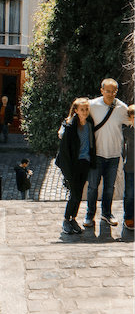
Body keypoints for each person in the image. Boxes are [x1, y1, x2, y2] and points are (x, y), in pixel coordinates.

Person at [84, 78, 129, 228]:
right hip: (97, 154)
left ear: (117, 91)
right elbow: (77, 115)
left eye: (113, 91)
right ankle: (90, 215)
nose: (110, 94)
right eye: (107, 91)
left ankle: (106, 213)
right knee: (92, 187)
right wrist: (64, 130)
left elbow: (131, 120)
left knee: (110, 187)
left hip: (114, 154)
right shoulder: (92, 105)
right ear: (101, 90)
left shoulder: (122, 107)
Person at [56, 97, 96, 234]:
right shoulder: (70, 126)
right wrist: (68, 169)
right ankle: (66, 220)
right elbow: (65, 150)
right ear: (76, 110)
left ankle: (73, 218)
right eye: (82, 110)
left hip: (84, 162)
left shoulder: (90, 123)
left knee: (79, 193)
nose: (85, 112)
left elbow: (91, 143)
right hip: (72, 164)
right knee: (74, 193)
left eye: (86, 109)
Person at [122, 104, 134, 230]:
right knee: (129, 194)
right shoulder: (126, 131)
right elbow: (122, 149)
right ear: (130, 118)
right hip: (130, 167)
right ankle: (128, 217)